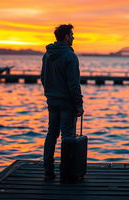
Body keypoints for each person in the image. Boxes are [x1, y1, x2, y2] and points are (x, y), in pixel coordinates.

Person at [41, 24, 84, 181]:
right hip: (67, 103)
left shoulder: (47, 55)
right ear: (66, 36)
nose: (73, 37)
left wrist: (50, 94)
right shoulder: (70, 56)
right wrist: (79, 104)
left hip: (52, 101)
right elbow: (73, 84)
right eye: (71, 34)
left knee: (51, 133)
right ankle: (67, 172)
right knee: (67, 136)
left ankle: (48, 170)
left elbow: (43, 78)